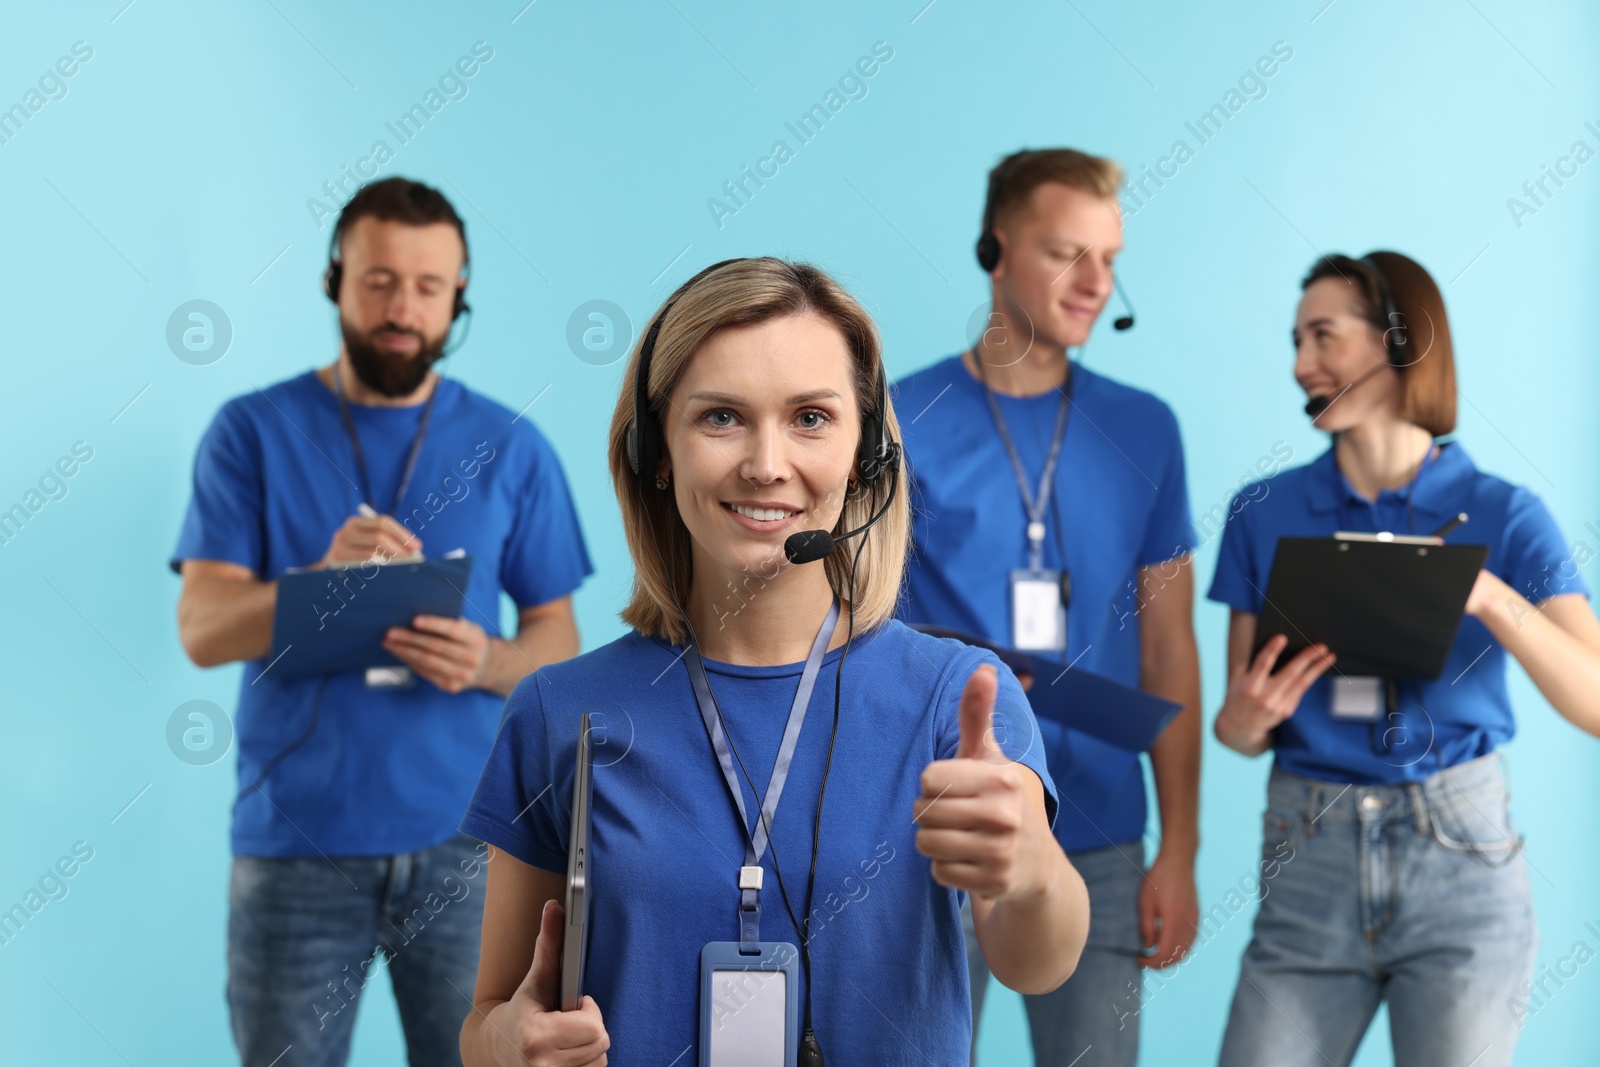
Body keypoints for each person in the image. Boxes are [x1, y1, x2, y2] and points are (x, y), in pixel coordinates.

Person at [457, 256, 1090, 1066]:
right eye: (721, 416)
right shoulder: (557, 708)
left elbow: (1037, 961)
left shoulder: (956, 698)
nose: (765, 462)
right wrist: (508, 1046)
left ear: (868, 455)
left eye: (811, 418)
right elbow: (487, 1021)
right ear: (658, 450)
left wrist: (1035, 869)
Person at [172, 177, 593, 1067]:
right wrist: (318, 580)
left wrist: (486, 658)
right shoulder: (250, 432)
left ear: (458, 300)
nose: (403, 308)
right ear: (335, 280)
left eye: (429, 286)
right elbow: (202, 627)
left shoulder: (511, 446)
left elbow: (560, 642)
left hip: (470, 848)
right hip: (295, 844)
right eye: (379, 280)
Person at [1208, 250, 1600, 1067]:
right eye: (1294, 339)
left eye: (1323, 335)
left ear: (1399, 342)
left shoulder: (1506, 511)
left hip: (1461, 857)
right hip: (1306, 846)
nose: (1299, 363)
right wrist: (1242, 721)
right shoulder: (1262, 511)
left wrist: (1491, 596)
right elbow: (1237, 728)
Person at [893, 147, 1201, 1065]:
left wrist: (1177, 847)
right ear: (995, 247)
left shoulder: (1148, 427)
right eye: (1069, 253)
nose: (1096, 283)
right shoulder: (896, 418)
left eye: (1109, 259)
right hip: (938, 822)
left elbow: (1172, 647)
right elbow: (851, 631)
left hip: (1103, 835)